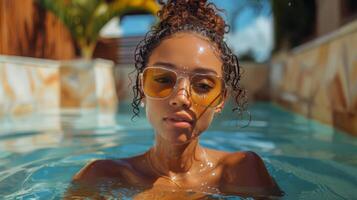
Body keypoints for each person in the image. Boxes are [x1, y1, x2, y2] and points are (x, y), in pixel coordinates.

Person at [67, 0, 283, 199]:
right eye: (163, 79)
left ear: (220, 100)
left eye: (203, 86)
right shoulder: (102, 177)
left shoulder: (242, 172)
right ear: (142, 90)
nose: (181, 98)